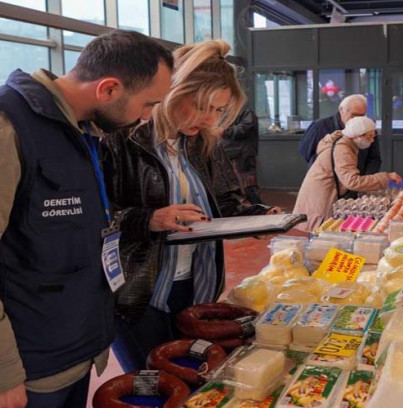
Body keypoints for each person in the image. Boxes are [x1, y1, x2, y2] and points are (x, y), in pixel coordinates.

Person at [0, 30, 173, 408]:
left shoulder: (81, 132)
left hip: (68, 353)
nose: (144, 117)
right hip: (19, 369)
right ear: (108, 89)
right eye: (147, 104)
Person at [103, 40, 279, 373]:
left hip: (195, 281)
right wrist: (149, 219)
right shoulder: (120, 141)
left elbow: (226, 200)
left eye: (219, 110)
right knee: (150, 378)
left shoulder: (202, 142)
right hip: (138, 291)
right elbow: (97, 216)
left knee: (188, 370)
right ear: (175, 91)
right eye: (203, 106)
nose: (210, 119)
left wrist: (257, 217)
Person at [293, 116, 401, 232]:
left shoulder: (345, 143)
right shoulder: (343, 149)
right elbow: (352, 182)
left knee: (322, 233)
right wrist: (385, 177)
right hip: (322, 196)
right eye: (369, 136)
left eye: (373, 136)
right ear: (358, 136)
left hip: (321, 191)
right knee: (320, 234)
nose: (372, 140)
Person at [298, 94, 382, 178]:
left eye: (362, 115)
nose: (358, 119)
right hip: (326, 181)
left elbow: (374, 158)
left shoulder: (368, 127)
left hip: (356, 181)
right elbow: (305, 151)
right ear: (341, 110)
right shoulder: (320, 126)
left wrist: (366, 179)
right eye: (354, 115)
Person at [220, 106, 263, 204]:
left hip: (242, 154)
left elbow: (242, 130)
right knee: (234, 185)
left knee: (248, 185)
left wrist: (223, 131)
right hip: (230, 153)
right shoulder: (224, 112)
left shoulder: (245, 112)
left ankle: (259, 208)